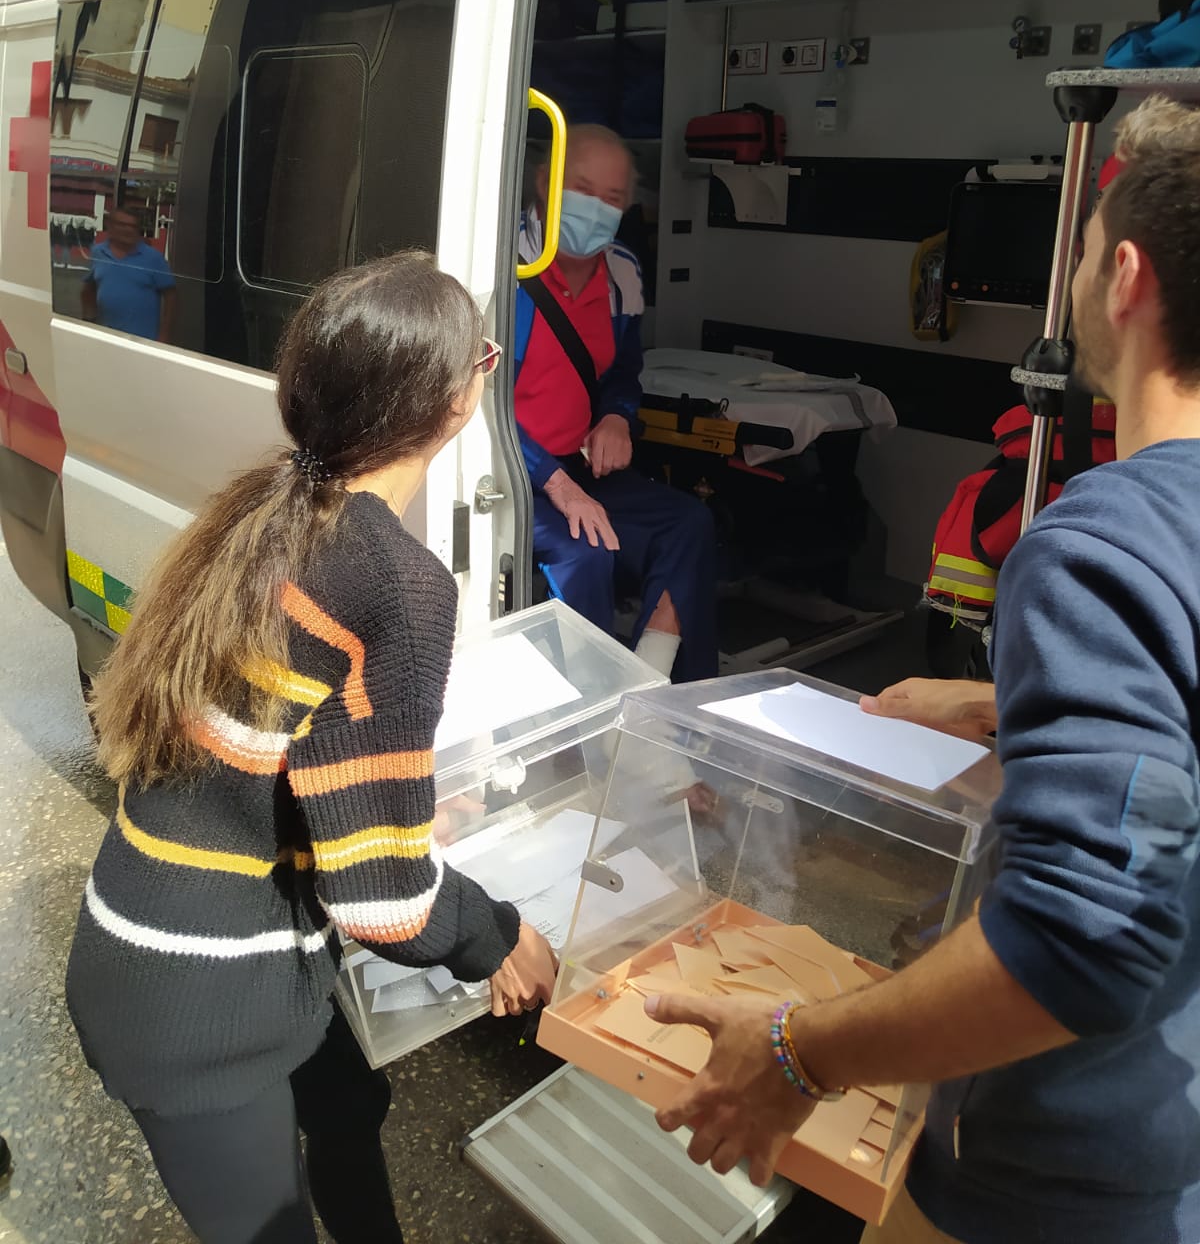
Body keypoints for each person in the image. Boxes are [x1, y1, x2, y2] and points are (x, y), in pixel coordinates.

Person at [642, 93, 1200, 1244]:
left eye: (1082, 250)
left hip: (1069, 1179)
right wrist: (1008, 704)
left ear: (1125, 278)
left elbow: (1080, 944)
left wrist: (798, 1052)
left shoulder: (1105, 543)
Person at [65, 251, 557, 1244]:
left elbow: (272, 760)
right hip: (195, 1002)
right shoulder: (396, 581)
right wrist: (500, 936)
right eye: (486, 358)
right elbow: (383, 904)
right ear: (461, 397)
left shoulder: (271, 509)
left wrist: (408, 821)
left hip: (189, 940)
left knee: (346, 1107)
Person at [515, 124, 717, 682]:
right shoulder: (505, 268)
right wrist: (557, 484)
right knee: (585, 552)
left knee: (688, 523)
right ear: (545, 183)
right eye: (583, 190)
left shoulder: (622, 272)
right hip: (513, 474)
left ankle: (655, 683)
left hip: (581, 469)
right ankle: (590, 706)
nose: (596, 209)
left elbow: (623, 370)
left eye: (612, 198)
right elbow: (476, 399)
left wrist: (615, 416)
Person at [81, 206, 177, 342]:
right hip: (106, 338)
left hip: (142, 342)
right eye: (123, 225)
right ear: (110, 226)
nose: (128, 230)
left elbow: (171, 297)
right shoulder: (98, 252)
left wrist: (164, 335)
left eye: (133, 226)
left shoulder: (153, 258)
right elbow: (88, 289)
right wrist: (89, 323)